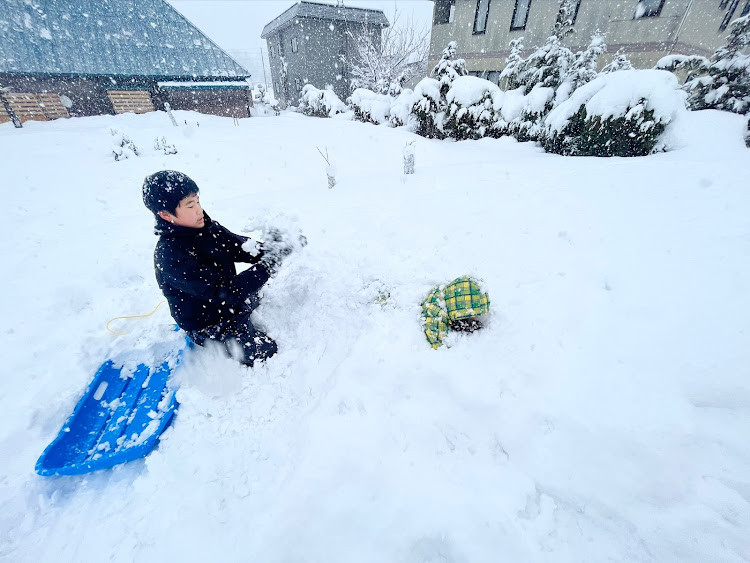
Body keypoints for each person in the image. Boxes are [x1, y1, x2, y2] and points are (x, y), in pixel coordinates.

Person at [142, 170, 283, 366]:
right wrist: (267, 267)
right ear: (166, 215)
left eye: (197, 201)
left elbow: (237, 247)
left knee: (252, 291)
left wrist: (270, 249)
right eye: (190, 205)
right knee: (266, 351)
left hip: (227, 303)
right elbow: (223, 292)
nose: (199, 210)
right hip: (208, 323)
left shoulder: (206, 228)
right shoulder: (171, 256)